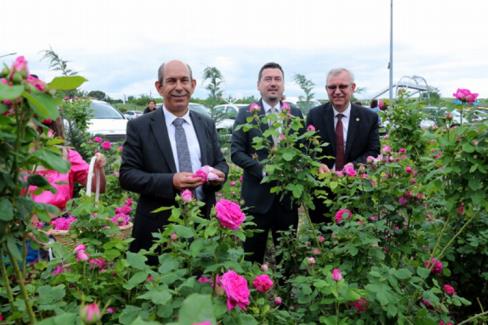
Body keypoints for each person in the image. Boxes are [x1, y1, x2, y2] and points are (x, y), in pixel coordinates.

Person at [119, 60, 228, 263]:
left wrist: (219, 175)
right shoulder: (140, 127)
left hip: (203, 225)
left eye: (184, 80)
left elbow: (220, 162)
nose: (179, 87)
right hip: (158, 230)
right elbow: (127, 176)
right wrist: (171, 181)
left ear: (193, 85)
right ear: (159, 87)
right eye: (171, 81)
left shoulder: (205, 124)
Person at [231, 62, 303, 264]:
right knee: (251, 259)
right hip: (256, 201)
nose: (273, 83)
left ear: (283, 85)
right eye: (268, 79)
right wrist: (263, 170)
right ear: (258, 85)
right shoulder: (246, 114)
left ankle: (286, 295)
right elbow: (236, 152)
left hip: (286, 202)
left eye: (277, 79)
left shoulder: (294, 113)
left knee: (287, 258)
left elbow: (303, 149)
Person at [306, 68, 380, 223]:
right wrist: (317, 163)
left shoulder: (369, 117)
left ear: (352, 88)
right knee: (322, 240)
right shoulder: (315, 115)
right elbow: (307, 150)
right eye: (332, 87)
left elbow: (373, 150)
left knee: (353, 239)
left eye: (343, 86)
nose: (337, 91)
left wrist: (352, 166)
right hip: (323, 190)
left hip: (355, 189)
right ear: (326, 89)